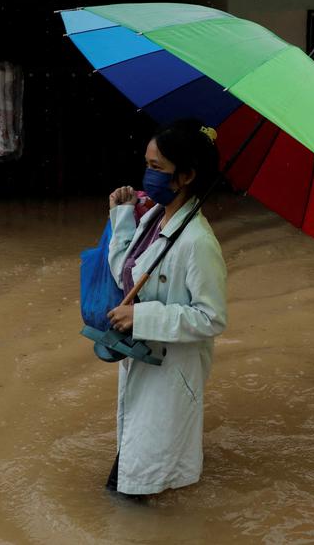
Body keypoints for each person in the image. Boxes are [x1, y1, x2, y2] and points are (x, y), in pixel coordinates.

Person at [104, 118, 228, 496]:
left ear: (186, 175)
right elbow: (127, 273)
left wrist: (142, 317)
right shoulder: (155, 217)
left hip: (172, 371)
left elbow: (212, 318)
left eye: (157, 168)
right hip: (144, 360)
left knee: (134, 484)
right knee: (134, 467)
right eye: (147, 164)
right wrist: (123, 215)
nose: (148, 175)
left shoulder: (198, 242)